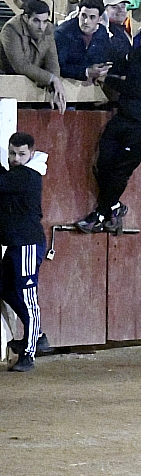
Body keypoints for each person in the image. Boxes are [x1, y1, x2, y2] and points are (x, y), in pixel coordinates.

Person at [75, 24, 141, 233]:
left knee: (120, 170)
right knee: (102, 163)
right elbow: (125, 76)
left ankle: (101, 214)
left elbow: (138, 88)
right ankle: (114, 207)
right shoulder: (135, 56)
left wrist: (109, 80)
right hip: (125, 118)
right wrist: (115, 78)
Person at [0, 132, 48, 372]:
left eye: (21, 154)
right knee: (4, 286)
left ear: (30, 154)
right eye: (12, 153)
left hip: (27, 245)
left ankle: (30, 352)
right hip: (18, 245)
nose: (15, 159)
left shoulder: (27, 176)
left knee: (29, 299)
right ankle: (36, 335)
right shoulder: (16, 176)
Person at [0, 0, 66, 113]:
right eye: (36, 21)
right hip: (8, 85)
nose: (41, 26)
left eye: (45, 21)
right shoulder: (10, 29)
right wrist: (51, 79)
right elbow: (20, 65)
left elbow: (52, 62)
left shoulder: (48, 29)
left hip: (32, 84)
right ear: (26, 18)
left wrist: (54, 88)